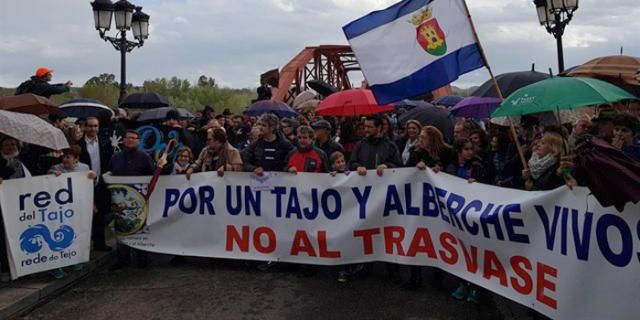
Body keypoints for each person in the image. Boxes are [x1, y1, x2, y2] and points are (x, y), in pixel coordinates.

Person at [47, 145, 97, 278]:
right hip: (61, 209)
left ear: (76, 159)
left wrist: (94, 177)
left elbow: (91, 185)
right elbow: (46, 184)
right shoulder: (55, 169)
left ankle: (74, 259)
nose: (64, 159)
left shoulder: (84, 168)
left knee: (77, 232)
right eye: (63, 156)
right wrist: (52, 177)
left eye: (68, 157)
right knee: (60, 234)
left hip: (78, 207)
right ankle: (58, 265)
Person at [108, 130, 154, 268]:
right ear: (124, 140)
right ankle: (123, 260)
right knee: (122, 229)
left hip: (138, 201)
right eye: (128, 138)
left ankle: (142, 259)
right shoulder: (115, 157)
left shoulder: (145, 157)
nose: (130, 140)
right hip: (120, 201)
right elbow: (109, 173)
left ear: (138, 141)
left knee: (140, 228)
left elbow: (153, 175)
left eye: (134, 138)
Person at [78, 117, 113, 252]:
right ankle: (83, 246)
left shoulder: (104, 142)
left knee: (101, 214)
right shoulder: (79, 144)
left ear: (98, 127)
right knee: (84, 215)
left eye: (95, 126)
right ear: (85, 127)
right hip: (83, 184)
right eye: (90, 126)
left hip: (100, 182)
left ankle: (99, 243)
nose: (93, 129)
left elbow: (108, 161)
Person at [0, 136, 31, 282]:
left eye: (13, 144)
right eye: (7, 145)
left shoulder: (24, 159)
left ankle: (23, 266)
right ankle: (6, 268)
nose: (11, 147)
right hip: (4, 207)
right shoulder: (1, 161)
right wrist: (7, 170)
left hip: (22, 205)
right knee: (5, 237)